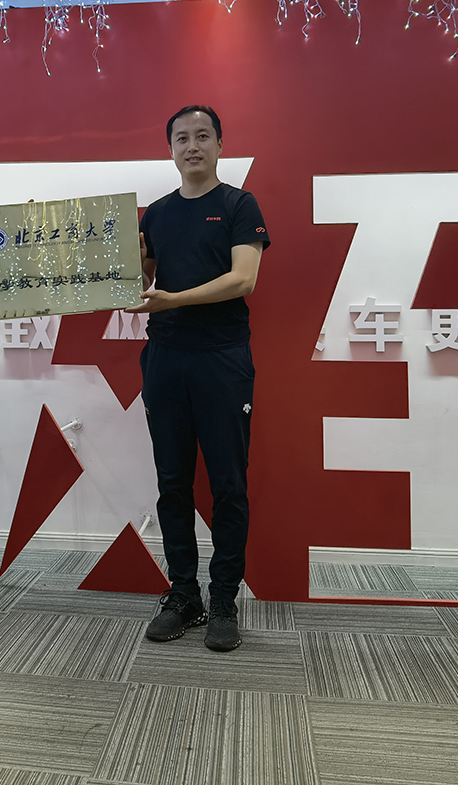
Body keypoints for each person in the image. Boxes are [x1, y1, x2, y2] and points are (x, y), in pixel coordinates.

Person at [128, 105, 269, 652]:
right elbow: (141, 281)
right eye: (182, 138)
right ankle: (183, 593)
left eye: (202, 136)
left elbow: (243, 279)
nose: (192, 146)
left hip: (221, 359)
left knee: (229, 485)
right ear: (170, 149)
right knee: (173, 483)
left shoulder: (238, 204)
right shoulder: (156, 214)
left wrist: (173, 300)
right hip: (165, 358)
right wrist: (120, 263)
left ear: (219, 144)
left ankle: (224, 599)